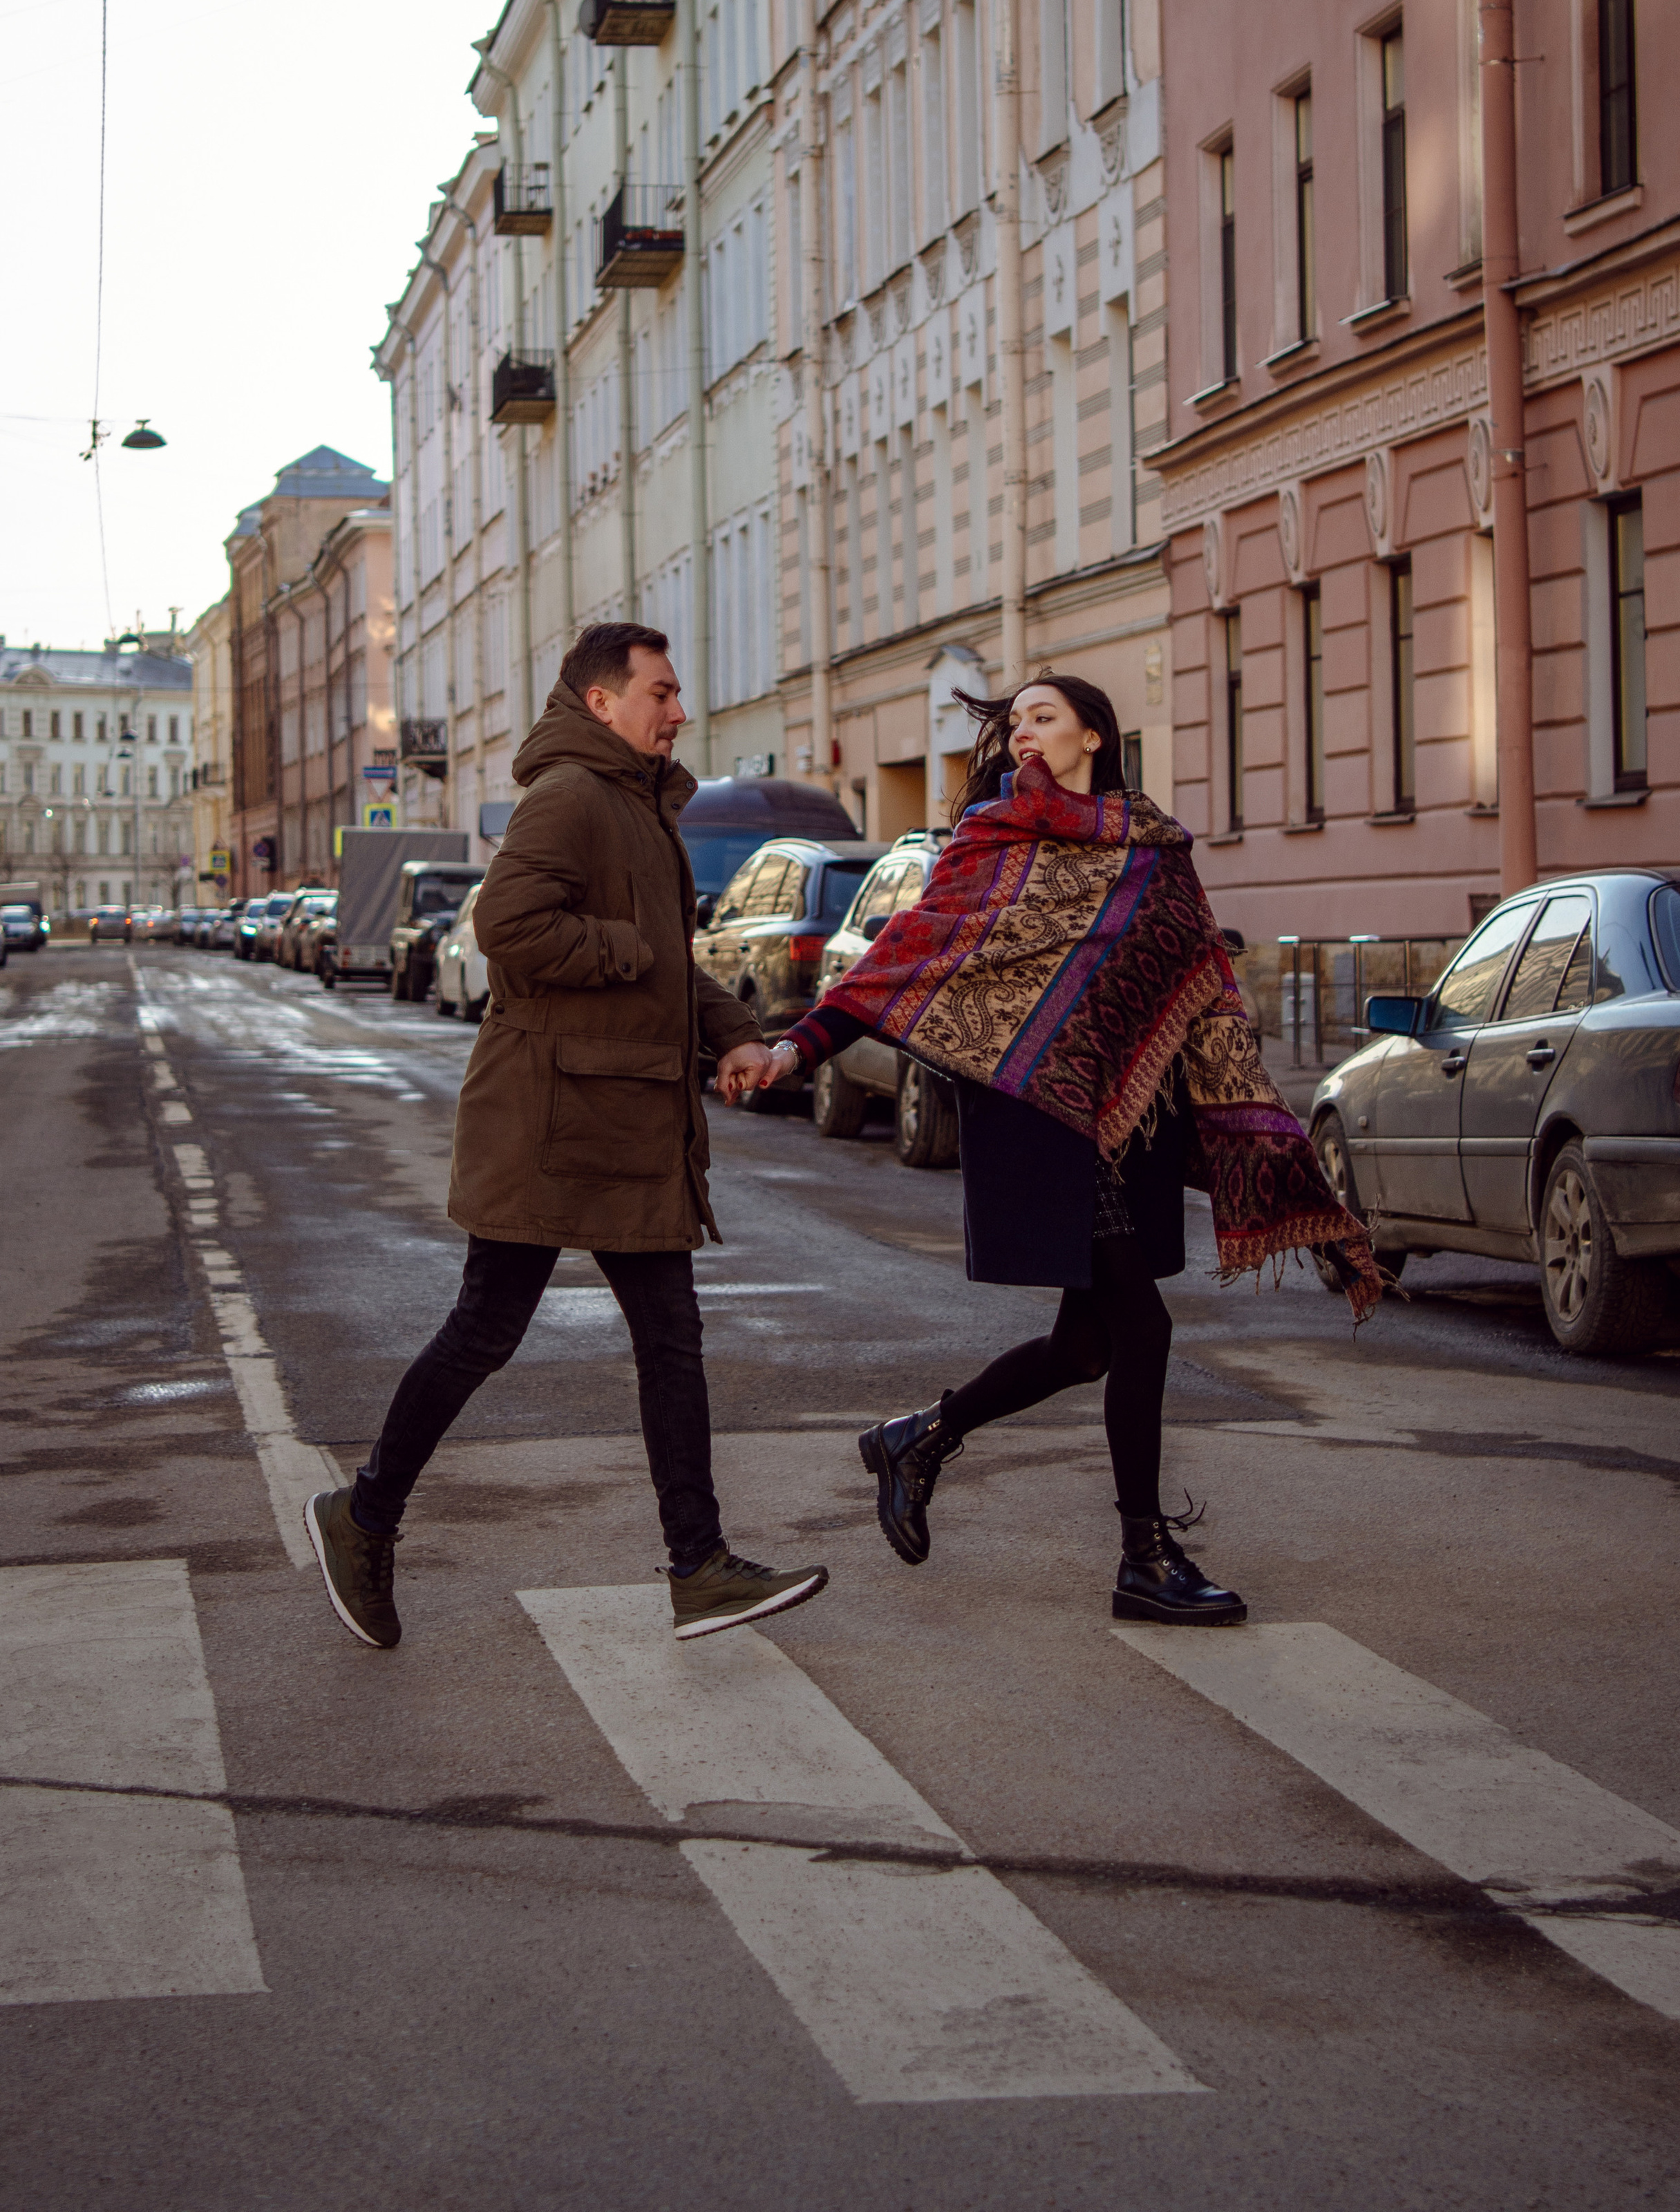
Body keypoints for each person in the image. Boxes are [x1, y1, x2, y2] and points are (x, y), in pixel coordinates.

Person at [760, 675, 1380, 1627]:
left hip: (1129, 1121)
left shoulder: (1155, 853)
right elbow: (906, 960)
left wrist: (1283, 1168)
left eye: (1041, 718)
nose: (1022, 737)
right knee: (1146, 1331)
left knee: (1084, 1344)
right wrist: (795, 1047)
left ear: (1096, 732)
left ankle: (919, 1437)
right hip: (1038, 1117)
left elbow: (1211, 1005)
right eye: (1013, 725)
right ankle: (1144, 1555)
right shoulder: (992, 840)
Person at [305, 624, 831, 1651]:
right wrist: (626, 948)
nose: (679, 711)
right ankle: (363, 1516)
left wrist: (733, 1033)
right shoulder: (572, 799)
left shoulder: (637, 808)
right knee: (486, 1331)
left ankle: (700, 1565)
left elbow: (675, 967)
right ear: (603, 702)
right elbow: (506, 927)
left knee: (669, 1340)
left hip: (621, 1117)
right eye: (663, 693)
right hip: (548, 1122)